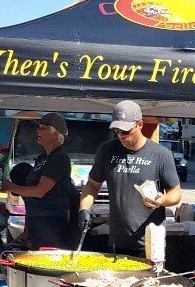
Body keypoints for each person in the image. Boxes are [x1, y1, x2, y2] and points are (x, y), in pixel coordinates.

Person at [78, 100, 181, 253]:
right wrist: (84, 209)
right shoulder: (107, 150)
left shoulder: (160, 154)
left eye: (125, 131)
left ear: (140, 125)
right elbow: (93, 185)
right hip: (117, 241)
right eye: (117, 131)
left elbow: (176, 193)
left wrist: (162, 200)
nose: (120, 136)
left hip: (150, 244)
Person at [0, 113, 73, 250]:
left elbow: (40, 191)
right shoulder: (42, 158)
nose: (38, 131)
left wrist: (10, 187)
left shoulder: (59, 158)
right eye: (39, 127)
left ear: (56, 133)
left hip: (51, 222)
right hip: (36, 220)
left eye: (43, 128)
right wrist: (27, 230)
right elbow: (31, 198)